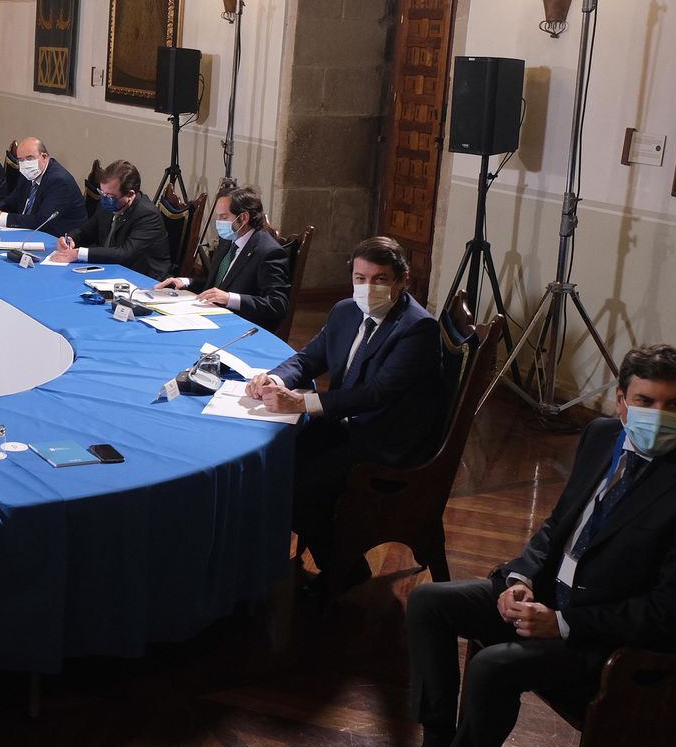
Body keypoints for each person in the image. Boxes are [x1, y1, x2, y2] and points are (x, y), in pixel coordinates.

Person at [358, 345, 676, 747]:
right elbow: (559, 526)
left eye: (674, 404)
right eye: (645, 401)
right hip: (548, 596)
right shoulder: (602, 435)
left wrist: (562, 623)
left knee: (493, 667)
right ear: (621, 401)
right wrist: (520, 577)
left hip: (606, 640)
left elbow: (672, 614)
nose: (658, 415)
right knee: (429, 603)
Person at [245, 236, 442, 587]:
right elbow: (308, 359)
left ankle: (346, 570)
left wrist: (301, 403)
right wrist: (274, 378)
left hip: (385, 437)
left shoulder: (417, 328)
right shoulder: (345, 311)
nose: (368, 288)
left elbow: (376, 394)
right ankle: (270, 556)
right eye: (360, 278)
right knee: (273, 461)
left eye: (380, 279)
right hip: (347, 423)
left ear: (403, 280)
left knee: (298, 485)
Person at [155, 186, 291, 333]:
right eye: (218, 216)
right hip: (211, 316)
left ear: (243, 218)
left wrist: (229, 298)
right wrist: (186, 282)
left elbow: (277, 304)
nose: (218, 222)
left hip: (241, 327)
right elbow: (216, 285)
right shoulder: (227, 241)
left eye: (224, 217)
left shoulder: (268, 252)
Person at [52, 159, 171, 279]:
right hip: (109, 268)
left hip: (141, 277)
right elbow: (86, 232)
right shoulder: (106, 205)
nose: (105, 199)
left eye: (110, 196)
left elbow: (125, 254)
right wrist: (70, 239)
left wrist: (79, 253)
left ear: (130, 194)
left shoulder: (147, 215)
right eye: (102, 193)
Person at [0, 137, 87, 237]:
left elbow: (41, 221)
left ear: (44, 157)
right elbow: (13, 200)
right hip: (29, 232)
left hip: (58, 239)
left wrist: (1, 217)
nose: (25, 164)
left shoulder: (59, 181)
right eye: (21, 160)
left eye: (29, 158)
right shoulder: (28, 173)